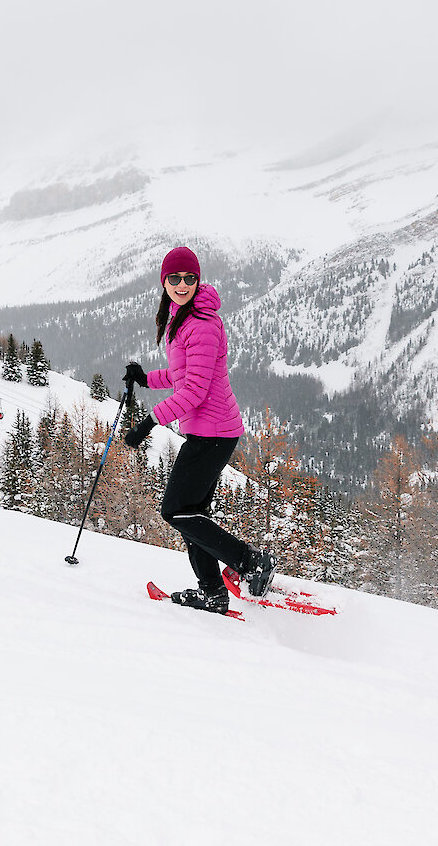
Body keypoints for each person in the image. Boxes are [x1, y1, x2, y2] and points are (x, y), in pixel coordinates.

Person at [122, 245, 275, 612]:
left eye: (189, 278)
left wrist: (149, 422)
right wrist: (145, 378)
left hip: (215, 433)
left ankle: (250, 562)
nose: (182, 284)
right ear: (164, 282)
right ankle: (212, 592)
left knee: (175, 510)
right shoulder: (183, 318)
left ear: (198, 280)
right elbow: (181, 375)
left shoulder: (202, 324)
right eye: (174, 278)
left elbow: (194, 391)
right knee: (191, 514)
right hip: (208, 431)